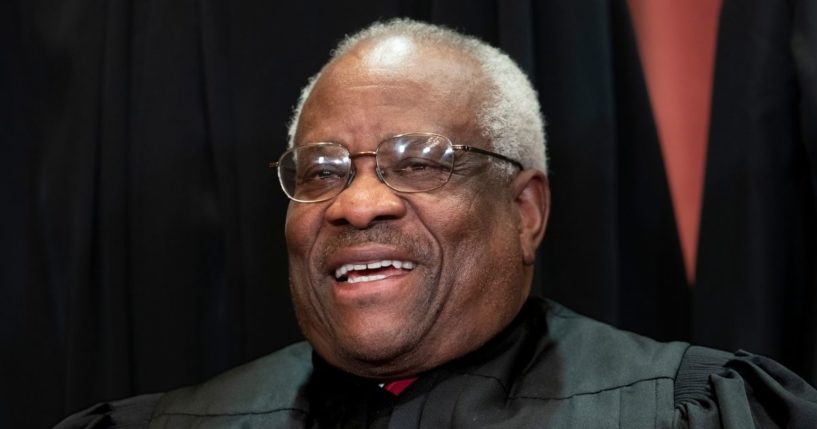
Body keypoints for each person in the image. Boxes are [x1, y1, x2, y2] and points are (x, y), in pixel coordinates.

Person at [57, 18, 817, 428]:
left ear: (525, 210)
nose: (357, 203)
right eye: (321, 171)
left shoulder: (691, 412)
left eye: (418, 161)